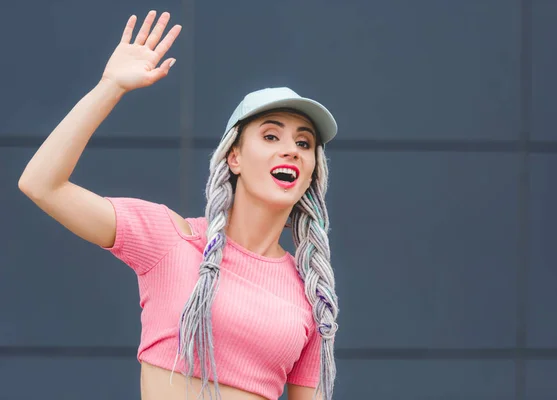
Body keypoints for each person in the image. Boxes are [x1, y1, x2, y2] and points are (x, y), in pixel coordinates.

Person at [18, 9, 340, 400]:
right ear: (233, 158)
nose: (290, 149)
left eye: (304, 143)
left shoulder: (310, 294)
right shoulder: (170, 239)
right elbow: (41, 184)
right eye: (271, 136)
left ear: (311, 172)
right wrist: (110, 86)